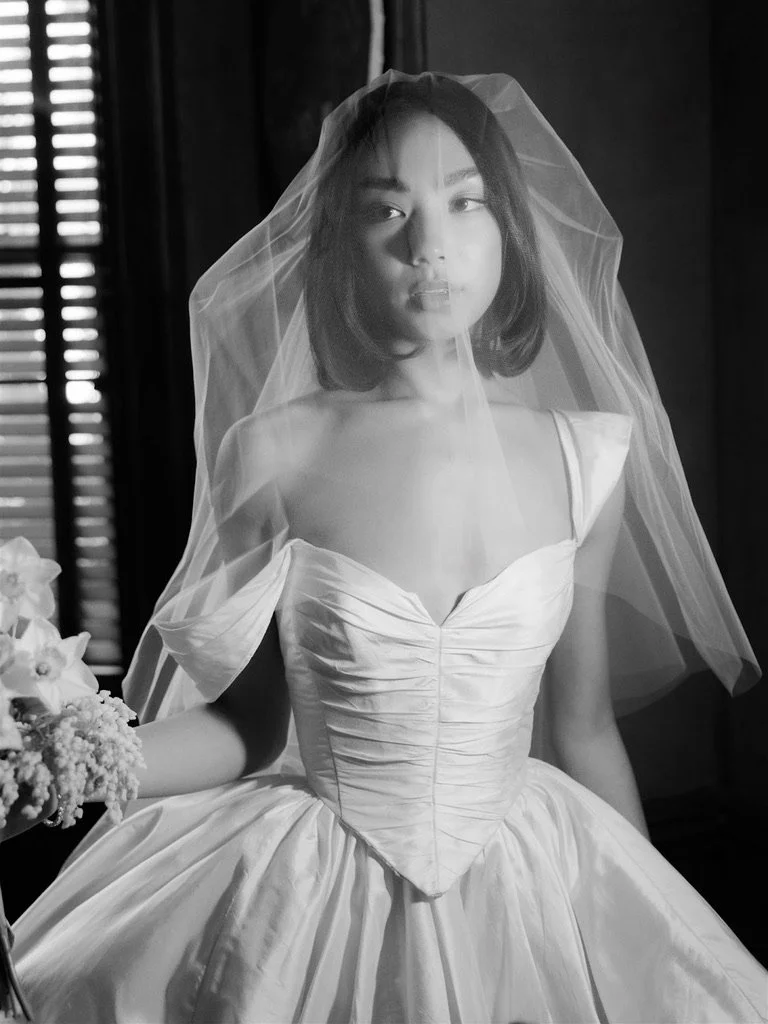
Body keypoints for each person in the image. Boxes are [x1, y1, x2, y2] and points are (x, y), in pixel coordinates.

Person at [8, 71, 767, 1023]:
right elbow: (248, 726)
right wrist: (65, 757)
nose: (429, 245)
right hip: (307, 890)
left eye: (464, 202)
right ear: (341, 247)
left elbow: (583, 731)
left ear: (509, 228)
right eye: (388, 211)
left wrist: (650, 949)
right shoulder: (275, 453)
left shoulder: (588, 461)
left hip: (527, 884)